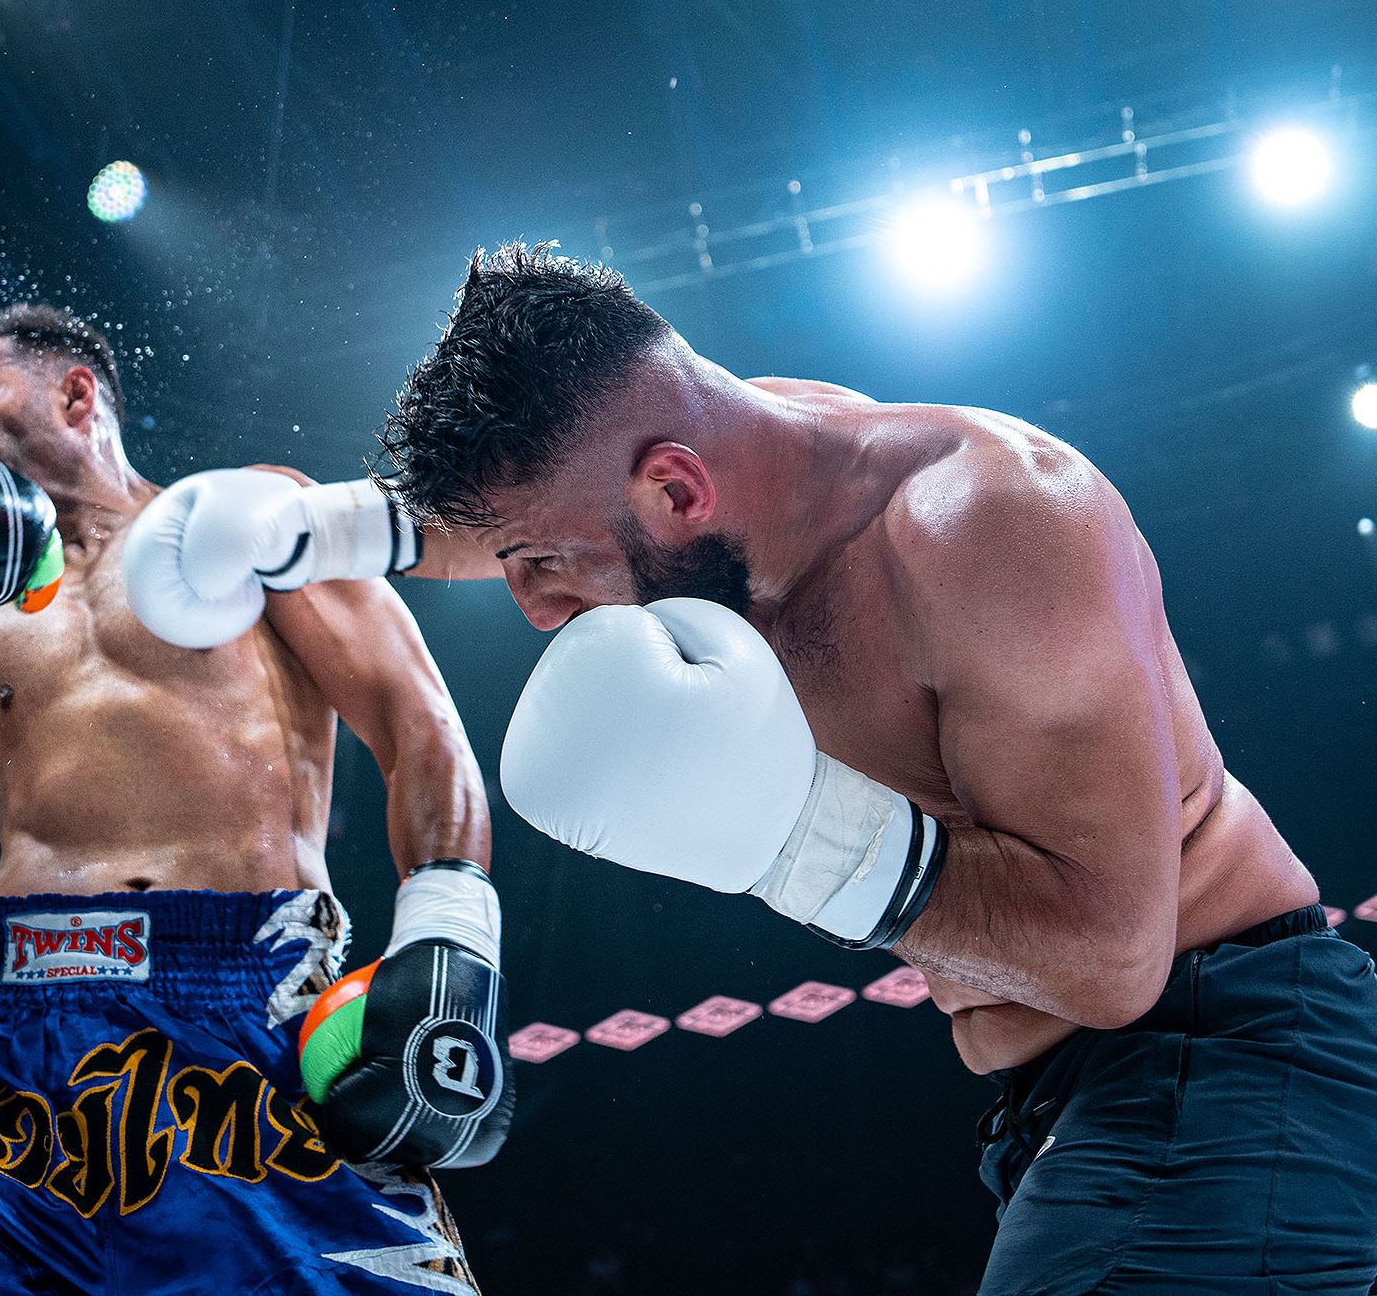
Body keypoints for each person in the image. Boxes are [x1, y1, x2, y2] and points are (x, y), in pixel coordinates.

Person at [158, 242, 1377, 1293]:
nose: (533, 606)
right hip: (1089, 1096)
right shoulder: (713, 458)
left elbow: (1113, 959)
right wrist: (322, 528)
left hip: (1222, 1050)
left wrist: (797, 837)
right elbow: (530, 505)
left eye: (542, 565)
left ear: (675, 490)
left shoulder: (989, 527)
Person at [0, 303, 512, 1296]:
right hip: (4, 1028)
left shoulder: (247, 523)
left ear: (76, 393)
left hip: (245, 1012)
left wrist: (448, 937)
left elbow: (416, 721)